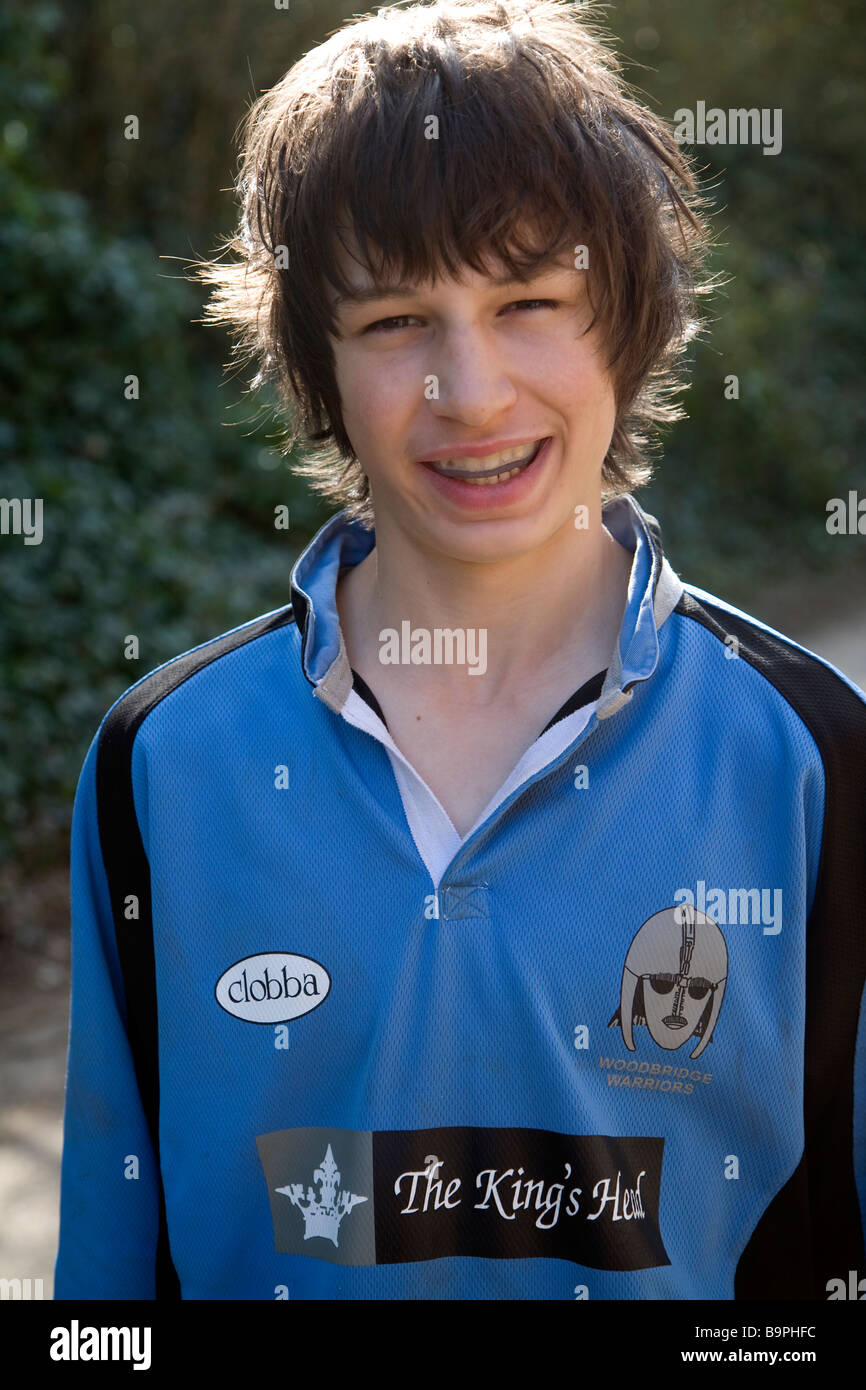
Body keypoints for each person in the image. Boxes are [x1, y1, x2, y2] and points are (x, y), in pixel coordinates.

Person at [54, 0, 865, 1301]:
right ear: (314, 366)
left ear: (633, 319)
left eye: (530, 299)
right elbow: (108, 1267)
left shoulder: (815, 756)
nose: (469, 390)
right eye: (391, 323)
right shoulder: (163, 760)